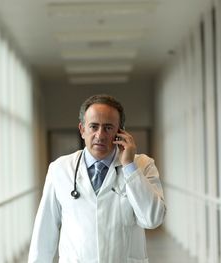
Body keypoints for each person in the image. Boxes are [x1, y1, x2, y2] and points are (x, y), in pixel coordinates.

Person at [28, 94, 166, 263]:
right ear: (82, 129)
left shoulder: (142, 165)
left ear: (120, 132)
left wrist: (130, 167)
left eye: (108, 128)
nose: (100, 135)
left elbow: (152, 219)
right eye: (93, 126)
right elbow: (44, 233)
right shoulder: (60, 169)